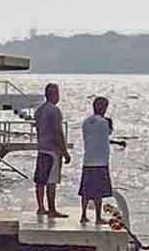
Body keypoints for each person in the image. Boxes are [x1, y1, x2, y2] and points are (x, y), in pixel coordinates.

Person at [79, 96, 128, 224]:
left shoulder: (86, 122)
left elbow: (96, 137)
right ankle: (98, 217)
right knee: (98, 191)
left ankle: (83, 214)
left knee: (86, 190)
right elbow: (108, 133)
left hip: (88, 160)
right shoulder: (104, 123)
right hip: (100, 161)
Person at [33, 83, 71, 217]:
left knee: (40, 181)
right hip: (52, 151)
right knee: (51, 181)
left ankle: (41, 207)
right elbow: (58, 133)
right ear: (54, 94)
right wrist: (65, 152)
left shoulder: (40, 110)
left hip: (41, 148)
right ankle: (52, 209)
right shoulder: (55, 110)